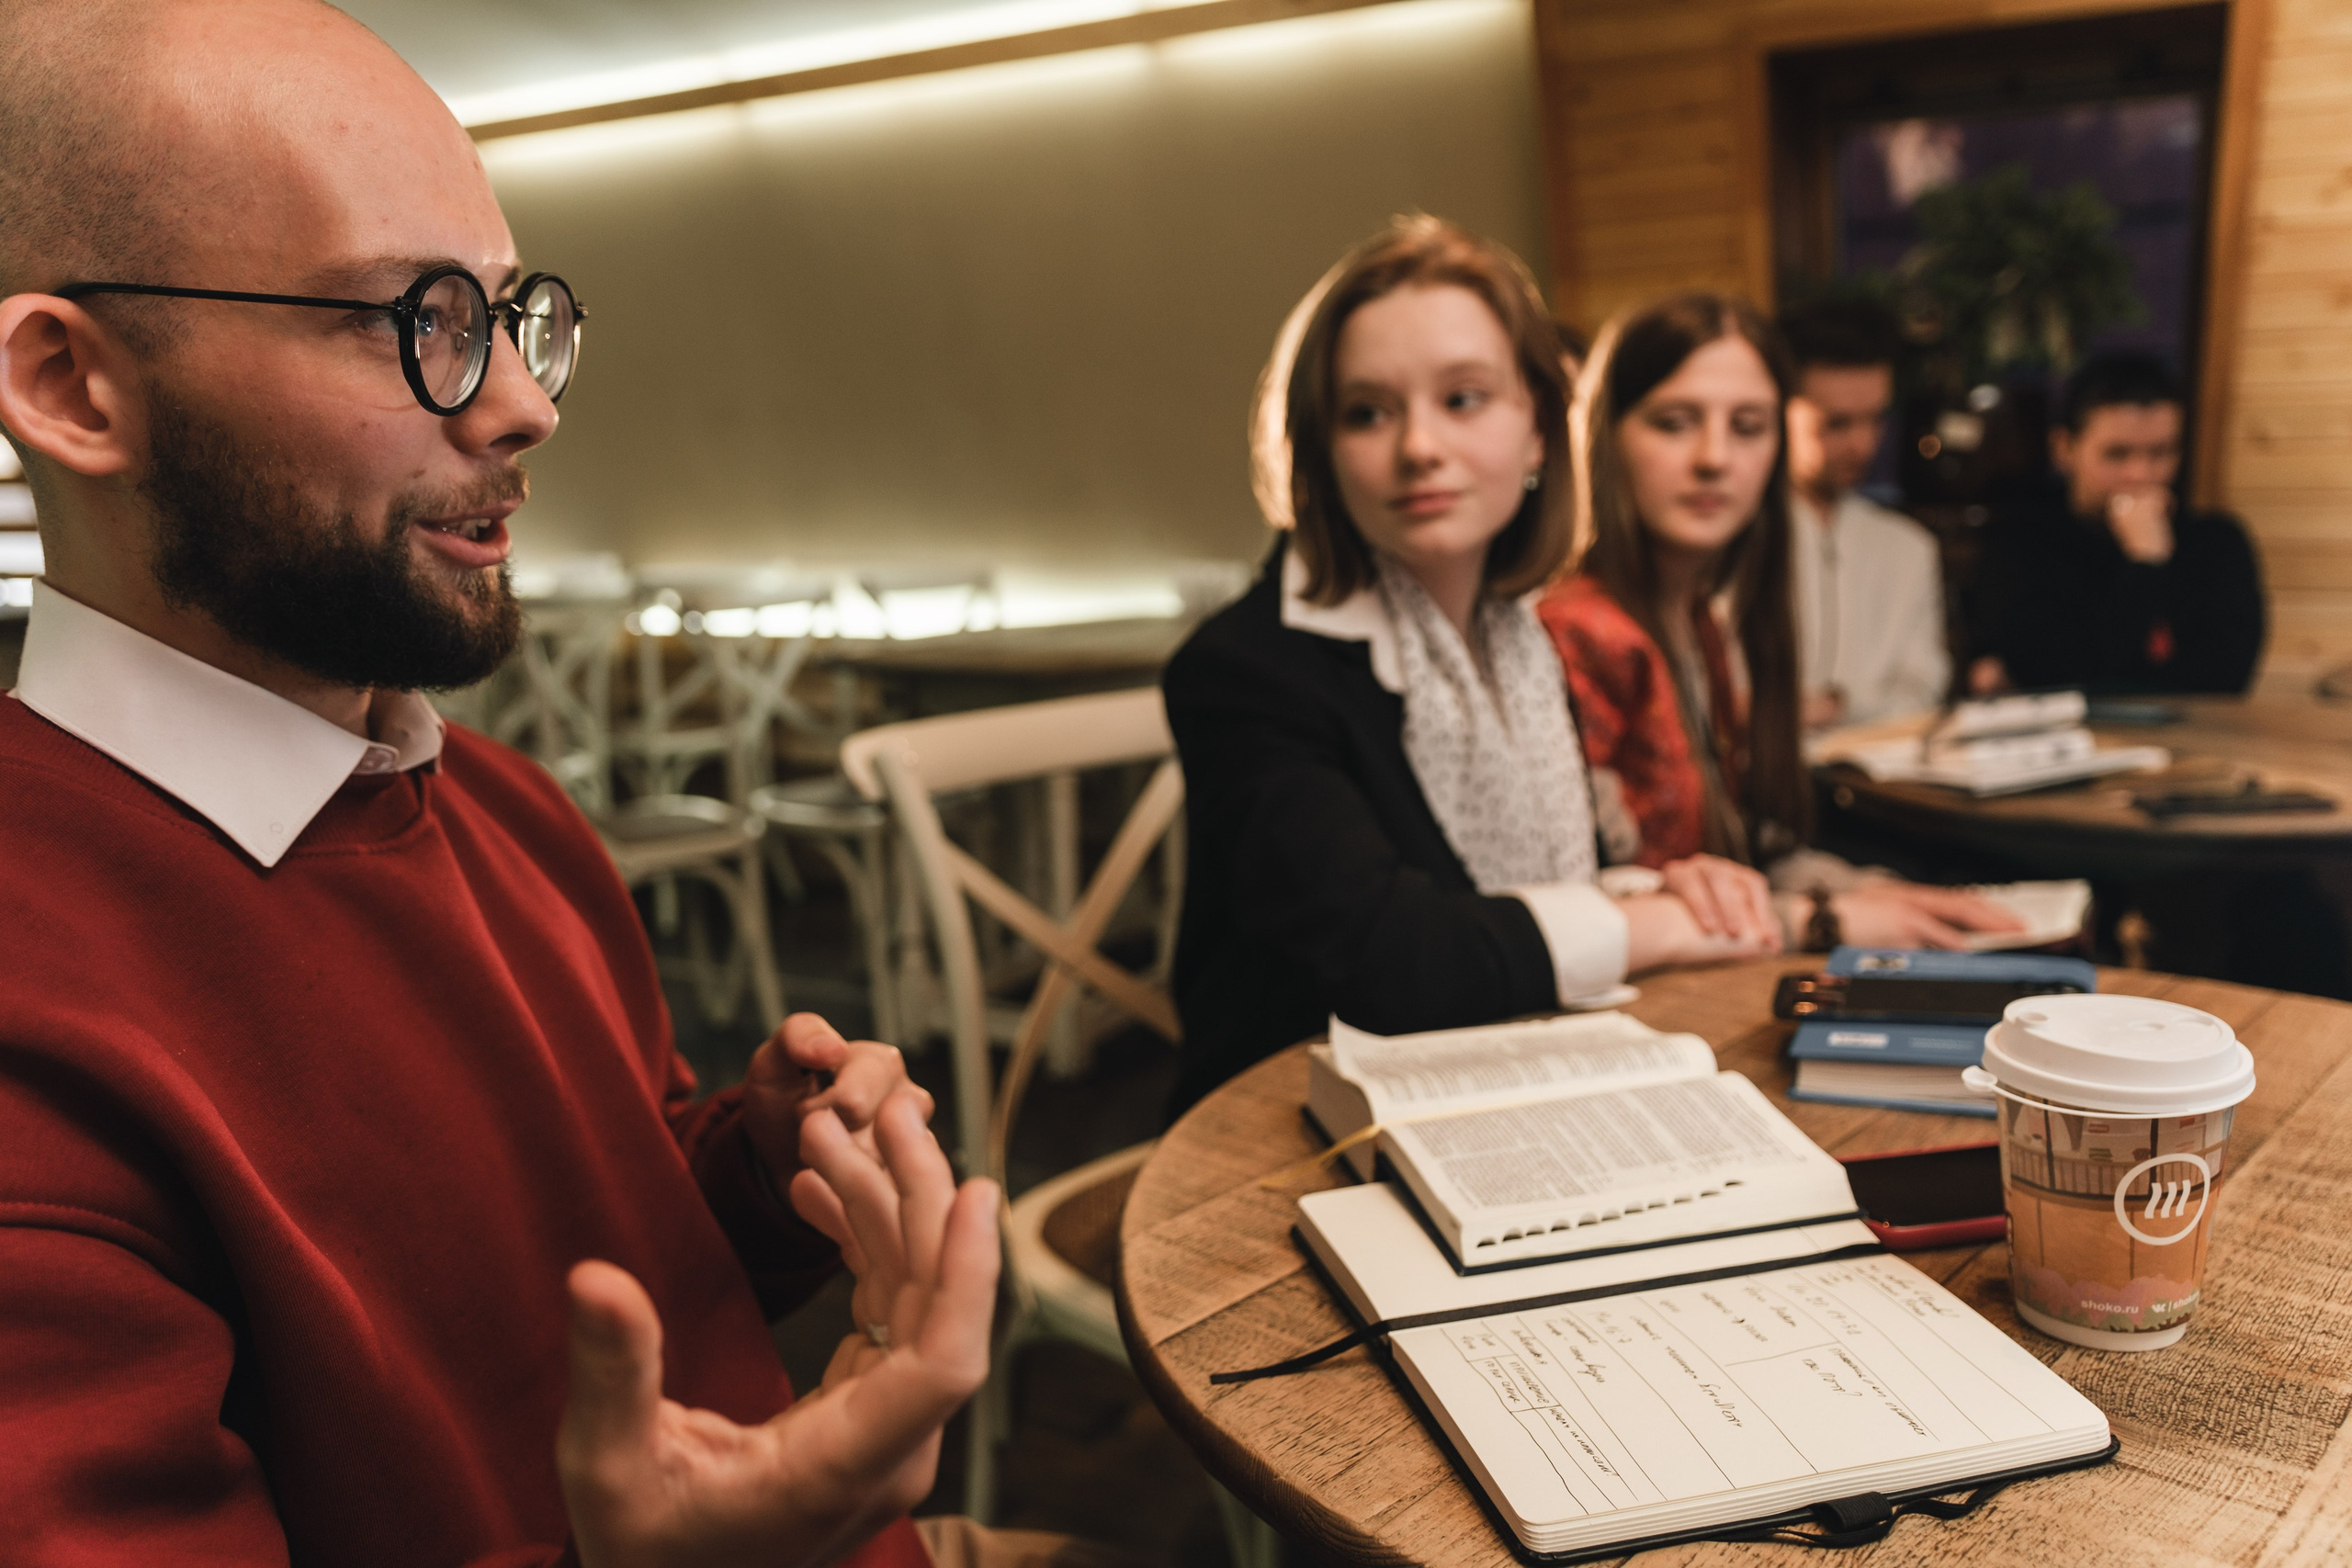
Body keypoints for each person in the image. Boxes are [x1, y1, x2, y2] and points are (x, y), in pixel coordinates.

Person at [0, 5, 1102, 1565]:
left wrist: (754, 1167)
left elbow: (588, 1278)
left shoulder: (508, 807)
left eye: (512, 315)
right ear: (72, 385)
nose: (527, 403)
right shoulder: (36, 1006)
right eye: (415, 319)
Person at [1162, 218, 1780, 1111]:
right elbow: (1400, 962)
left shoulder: (1519, 641)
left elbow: (1515, 896)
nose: (1419, 445)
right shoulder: (1244, 670)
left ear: (1539, 431)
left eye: (1463, 399)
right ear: (1321, 449)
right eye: (1367, 412)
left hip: (1496, 1086)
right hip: (1284, 1132)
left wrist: (1662, 889)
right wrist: (1659, 923)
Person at [1537, 292, 2022, 951]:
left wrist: (1872, 893)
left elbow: (1742, 854)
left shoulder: (1696, 617)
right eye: (1674, 422)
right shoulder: (1576, 630)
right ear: (1606, 435)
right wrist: (1825, 916)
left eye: (1747, 426)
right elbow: (1594, 903)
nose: (1714, 457)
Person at [1970, 350, 2265, 696]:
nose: (2140, 474)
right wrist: (2145, 565)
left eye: (2161, 452)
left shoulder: (2217, 543)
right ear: (2063, 449)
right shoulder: (2023, 540)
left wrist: (2147, 561)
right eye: (2117, 454)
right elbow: (2049, 673)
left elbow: (2223, 682)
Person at [1777, 299, 1950, 727]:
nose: (1864, 445)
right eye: (1837, 424)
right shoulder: (1736, 540)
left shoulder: (1908, 547)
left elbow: (1923, 687)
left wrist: (1835, 706)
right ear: (1777, 412)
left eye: (1875, 420)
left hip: (1885, 765)